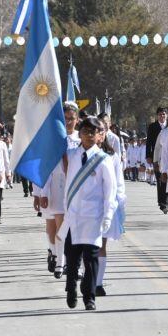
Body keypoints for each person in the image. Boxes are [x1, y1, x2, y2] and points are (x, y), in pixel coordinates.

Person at [60, 117, 116, 311]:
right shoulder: (71, 155)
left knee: (91, 259)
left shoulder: (104, 159)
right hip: (73, 215)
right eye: (85, 132)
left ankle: (89, 296)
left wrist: (108, 215)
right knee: (72, 257)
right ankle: (71, 288)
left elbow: (110, 190)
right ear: (79, 134)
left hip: (93, 216)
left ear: (99, 136)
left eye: (93, 132)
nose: (89, 136)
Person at [35, 103, 80, 279]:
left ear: (77, 120)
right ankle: (56, 254)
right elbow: (44, 168)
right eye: (65, 118)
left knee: (68, 226)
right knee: (53, 224)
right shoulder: (53, 139)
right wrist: (40, 193)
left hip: (75, 187)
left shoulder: (80, 139)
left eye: (71, 118)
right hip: (56, 186)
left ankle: (65, 260)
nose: (68, 122)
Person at [97, 129, 127, 296]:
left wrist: (121, 204)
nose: (97, 134)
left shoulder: (112, 155)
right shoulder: (78, 154)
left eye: (100, 131)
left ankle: (98, 283)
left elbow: (118, 181)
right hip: (85, 208)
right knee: (87, 246)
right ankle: (88, 275)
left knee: (101, 244)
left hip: (106, 205)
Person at [146, 107, 168, 213]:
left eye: (164, 114)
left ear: (167, 115)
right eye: (160, 114)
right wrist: (148, 156)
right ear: (157, 116)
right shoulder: (152, 127)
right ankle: (162, 201)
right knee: (160, 180)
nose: (162, 116)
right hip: (156, 157)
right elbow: (149, 142)